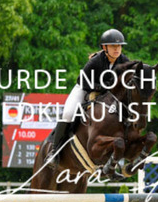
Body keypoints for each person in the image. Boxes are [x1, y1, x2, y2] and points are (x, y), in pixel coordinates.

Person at [45, 29, 131, 168]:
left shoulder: (125, 62)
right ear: (105, 47)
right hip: (85, 89)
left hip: (107, 96)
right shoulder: (97, 61)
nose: (117, 49)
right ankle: (54, 152)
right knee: (68, 114)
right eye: (113, 46)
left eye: (119, 46)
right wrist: (100, 87)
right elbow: (82, 80)